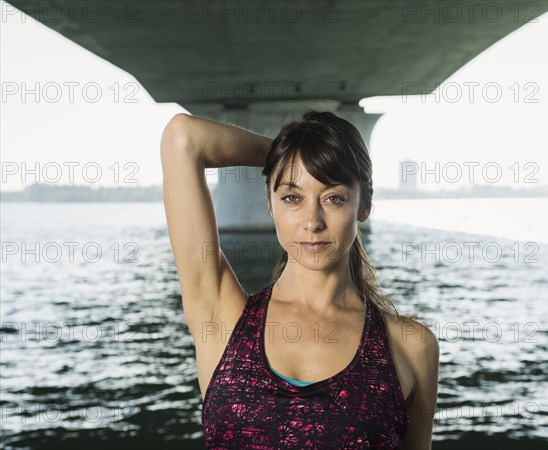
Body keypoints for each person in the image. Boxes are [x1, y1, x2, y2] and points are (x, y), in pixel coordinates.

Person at [160, 109, 439, 449]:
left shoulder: (411, 346)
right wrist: (294, 153)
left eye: (333, 197)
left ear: (363, 205)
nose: (312, 221)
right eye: (292, 197)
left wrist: (306, 160)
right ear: (270, 203)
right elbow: (183, 137)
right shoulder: (222, 318)